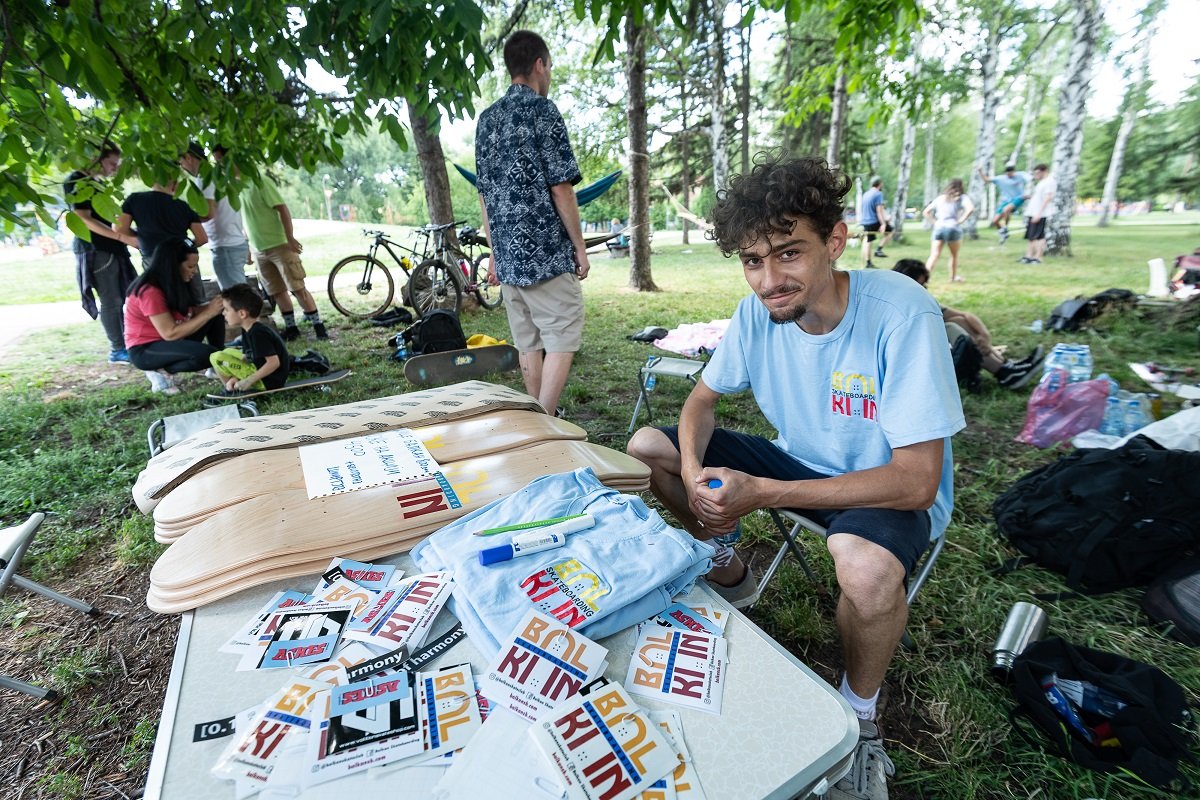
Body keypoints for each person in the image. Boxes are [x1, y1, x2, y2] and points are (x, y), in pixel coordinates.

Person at [626, 156, 964, 800]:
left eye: (788, 253)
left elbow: (918, 481)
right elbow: (700, 402)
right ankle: (726, 562)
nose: (769, 280)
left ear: (835, 242)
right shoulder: (756, 313)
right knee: (646, 448)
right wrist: (698, 478)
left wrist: (765, 495)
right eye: (753, 261)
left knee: (862, 567)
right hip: (801, 460)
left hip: (883, 485)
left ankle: (860, 718)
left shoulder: (902, 314)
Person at [475, 30, 590, 416]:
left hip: (508, 258)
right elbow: (561, 187)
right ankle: (545, 423)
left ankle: (542, 416)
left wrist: (495, 253)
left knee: (528, 342)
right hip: (545, 254)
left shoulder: (486, 120)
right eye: (550, 66)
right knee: (561, 339)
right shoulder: (544, 110)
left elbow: (485, 196)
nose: (550, 75)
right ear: (539, 65)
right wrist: (579, 245)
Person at [892, 259, 1044, 389]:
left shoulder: (918, 299)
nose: (923, 290)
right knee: (951, 328)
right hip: (909, 364)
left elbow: (964, 315)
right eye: (920, 285)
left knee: (958, 321)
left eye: (924, 286)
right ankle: (1003, 371)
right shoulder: (895, 304)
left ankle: (1005, 367)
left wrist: (985, 336)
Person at [64, 141, 139, 365]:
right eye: (111, 163)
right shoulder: (77, 181)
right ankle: (118, 349)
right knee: (111, 301)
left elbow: (109, 218)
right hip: (96, 250)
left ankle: (128, 343)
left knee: (123, 298)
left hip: (113, 249)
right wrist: (120, 237)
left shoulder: (97, 185)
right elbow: (83, 219)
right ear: (96, 158)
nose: (114, 169)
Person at [123, 238, 225, 395]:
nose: (194, 271)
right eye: (190, 266)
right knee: (208, 354)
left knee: (214, 317)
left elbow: (190, 312)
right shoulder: (150, 291)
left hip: (171, 340)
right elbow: (170, 333)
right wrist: (208, 312)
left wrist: (215, 307)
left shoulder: (175, 283)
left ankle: (216, 368)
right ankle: (159, 370)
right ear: (172, 265)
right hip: (146, 350)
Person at [240, 173, 328, 340]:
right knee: (276, 291)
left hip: (280, 245)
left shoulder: (260, 182)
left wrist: (290, 237)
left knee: (297, 288)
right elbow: (246, 221)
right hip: (259, 249)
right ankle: (291, 328)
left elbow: (282, 208)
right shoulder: (237, 188)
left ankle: (318, 326)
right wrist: (248, 249)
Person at [181, 143, 251, 289]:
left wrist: (184, 219)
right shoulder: (217, 175)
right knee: (238, 292)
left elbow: (207, 213)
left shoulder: (204, 177)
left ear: (188, 157)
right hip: (232, 243)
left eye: (181, 162)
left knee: (235, 296)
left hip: (226, 246)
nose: (182, 167)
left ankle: (246, 313)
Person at [211, 283, 290, 392]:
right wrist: (236, 377)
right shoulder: (248, 329)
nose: (223, 313)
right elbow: (249, 359)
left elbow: (274, 363)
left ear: (242, 314)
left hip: (269, 381)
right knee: (228, 352)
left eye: (226, 310)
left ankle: (232, 391)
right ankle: (233, 384)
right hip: (259, 371)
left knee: (217, 358)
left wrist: (248, 381)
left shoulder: (258, 334)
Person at [922, 178, 974, 283]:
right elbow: (970, 209)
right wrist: (960, 220)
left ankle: (924, 278)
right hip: (953, 227)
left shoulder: (941, 198)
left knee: (934, 254)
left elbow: (926, 211)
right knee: (954, 255)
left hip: (939, 227)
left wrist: (934, 222)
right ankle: (953, 278)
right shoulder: (962, 197)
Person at [977, 164, 1028, 243]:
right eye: (1008, 174)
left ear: (1014, 172)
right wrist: (980, 171)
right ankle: (1004, 234)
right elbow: (986, 180)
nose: (1009, 175)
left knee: (1006, 210)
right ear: (1005, 173)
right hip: (1005, 201)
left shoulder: (1020, 175)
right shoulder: (1000, 179)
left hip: (1019, 198)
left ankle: (1005, 227)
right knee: (995, 221)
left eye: (1011, 174)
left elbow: (1031, 178)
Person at [1020, 164, 1055, 264]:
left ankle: (1038, 257)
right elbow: (1040, 197)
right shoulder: (1042, 182)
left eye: (1038, 173)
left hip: (1041, 214)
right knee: (1031, 236)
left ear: (1044, 171)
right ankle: (1029, 256)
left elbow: (1048, 198)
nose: (1036, 175)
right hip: (1033, 212)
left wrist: (1039, 213)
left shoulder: (1050, 182)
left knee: (1039, 236)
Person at [859, 176, 892, 268]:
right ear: (880, 184)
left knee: (868, 240)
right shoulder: (878, 194)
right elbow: (879, 210)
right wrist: (883, 223)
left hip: (865, 221)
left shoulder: (866, 194)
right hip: (874, 221)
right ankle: (879, 250)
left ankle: (868, 262)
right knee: (890, 232)